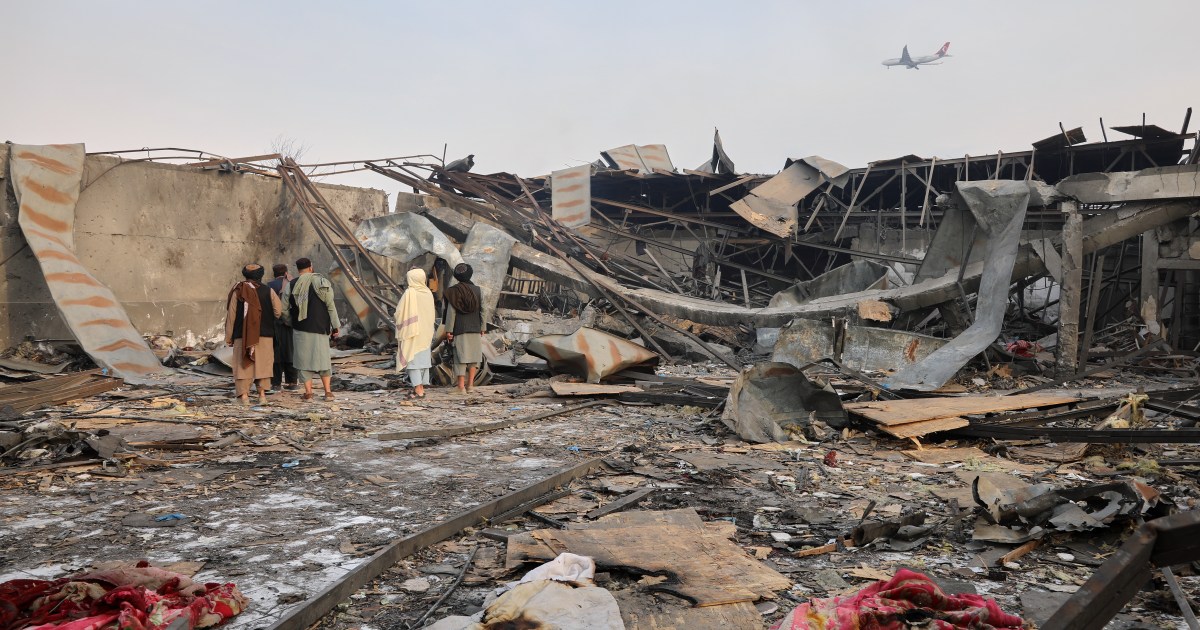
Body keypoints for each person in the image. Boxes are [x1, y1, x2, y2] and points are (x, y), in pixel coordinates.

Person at [282, 257, 339, 401]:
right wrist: (335, 326)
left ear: (298, 269)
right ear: (311, 267)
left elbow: (284, 309)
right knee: (323, 360)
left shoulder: (291, 285)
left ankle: (308, 393)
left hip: (300, 328)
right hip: (321, 327)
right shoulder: (322, 282)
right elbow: (330, 306)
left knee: (303, 361)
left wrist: (291, 322)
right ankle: (328, 392)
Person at [224, 264, 282, 406]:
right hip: (265, 335)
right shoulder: (269, 291)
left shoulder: (238, 291)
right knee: (263, 365)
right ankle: (262, 396)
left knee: (242, 365)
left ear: (245, 275)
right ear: (261, 275)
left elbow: (231, 316)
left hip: (242, 336)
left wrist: (229, 336)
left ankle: (244, 397)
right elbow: (278, 312)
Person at [394, 267, 436, 399]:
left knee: (412, 360)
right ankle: (420, 387)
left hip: (412, 331)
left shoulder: (410, 293)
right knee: (422, 360)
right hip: (426, 332)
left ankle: (418, 389)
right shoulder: (428, 293)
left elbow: (399, 312)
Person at [444, 263, 484, 394]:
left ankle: (460, 387)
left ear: (456, 276)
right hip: (475, 327)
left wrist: (449, 330)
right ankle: (470, 386)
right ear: (470, 274)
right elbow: (483, 310)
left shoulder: (453, 291)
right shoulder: (478, 290)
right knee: (474, 357)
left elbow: (451, 313)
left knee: (459, 358)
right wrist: (483, 327)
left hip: (460, 329)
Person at [266, 263, 298, 390]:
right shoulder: (293, 284)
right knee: (290, 351)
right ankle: (292, 382)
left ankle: (276, 383)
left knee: (276, 353)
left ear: (274, 274)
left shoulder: (269, 286)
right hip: (290, 322)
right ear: (286, 272)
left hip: (275, 323)